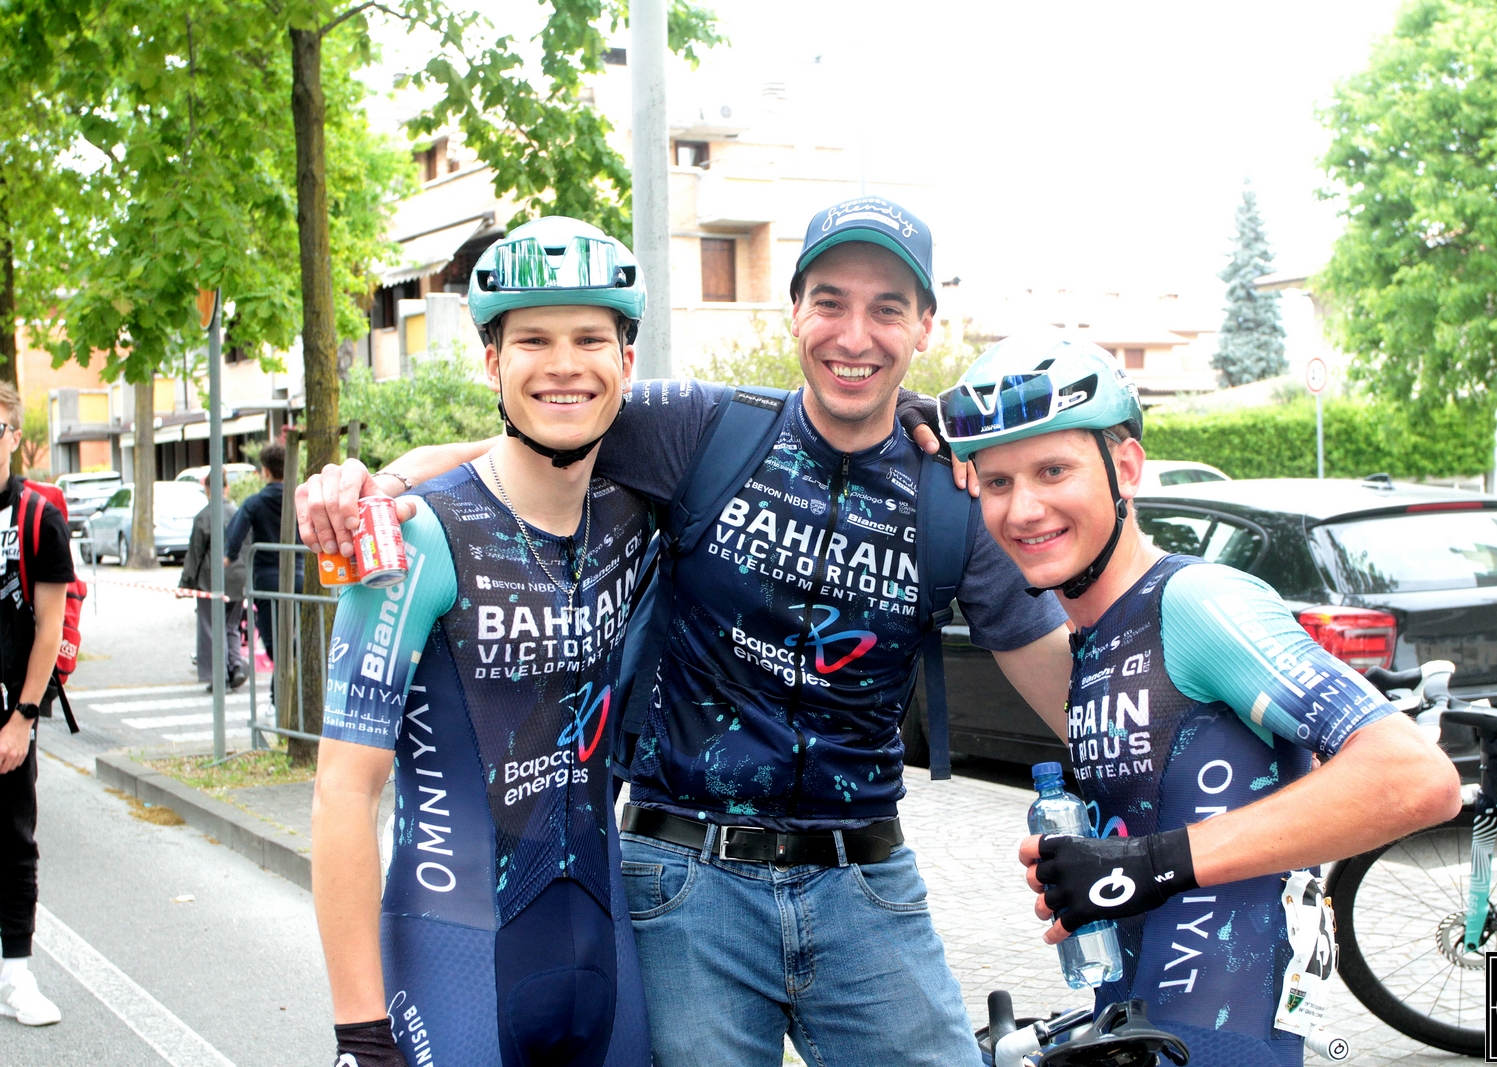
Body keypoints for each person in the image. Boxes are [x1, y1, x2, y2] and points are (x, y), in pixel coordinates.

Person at [297, 197, 1075, 1067]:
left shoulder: (952, 491)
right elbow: (540, 428)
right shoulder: (702, 427)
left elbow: (1069, 695)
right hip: (685, 881)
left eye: (887, 309)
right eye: (830, 302)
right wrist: (380, 481)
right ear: (794, 311)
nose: (855, 334)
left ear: (926, 326)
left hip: (865, 886)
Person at [936, 334, 1462, 1066]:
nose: (1023, 508)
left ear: (1125, 469)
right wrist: (1094, 864)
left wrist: (1146, 862)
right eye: (997, 482)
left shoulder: (1197, 600)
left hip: (1224, 1037)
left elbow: (1417, 778)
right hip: (1144, 1029)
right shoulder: (1096, 637)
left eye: (1053, 470)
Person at [312, 217, 653, 1067]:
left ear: (626, 361)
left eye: (589, 339)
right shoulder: (411, 536)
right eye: (533, 339)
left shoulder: (635, 507)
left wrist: (914, 422)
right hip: (453, 966)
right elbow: (343, 790)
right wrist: (360, 1032)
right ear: (493, 362)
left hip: (610, 962)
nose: (564, 363)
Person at [0, 382, 70, 1027]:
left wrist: (23, 717)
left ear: (14, 436)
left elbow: (48, 626)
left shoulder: (37, 517)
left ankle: (16, 976)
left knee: (14, 841)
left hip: (7, 711)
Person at [224, 440, 299, 665]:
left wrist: (229, 556)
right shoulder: (299, 499)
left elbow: (234, 535)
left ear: (265, 471)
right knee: (296, 635)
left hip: (268, 580)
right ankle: (289, 678)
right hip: (300, 575)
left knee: (274, 644)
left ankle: (290, 675)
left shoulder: (255, 503)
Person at [178, 470, 247, 691]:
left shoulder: (203, 517)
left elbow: (195, 555)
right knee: (231, 626)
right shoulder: (238, 513)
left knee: (211, 628)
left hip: (211, 581)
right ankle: (236, 666)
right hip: (238, 579)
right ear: (226, 488)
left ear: (207, 489)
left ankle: (220, 677)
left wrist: (185, 585)